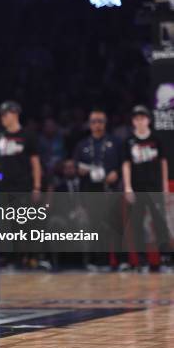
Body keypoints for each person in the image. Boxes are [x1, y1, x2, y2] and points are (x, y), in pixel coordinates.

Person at [0, 101, 43, 269]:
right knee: (5, 223)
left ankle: (24, 258)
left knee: (23, 224)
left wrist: (37, 187)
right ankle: (9, 258)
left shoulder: (28, 136)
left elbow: (35, 162)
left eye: (5, 114)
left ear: (15, 113)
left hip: (23, 186)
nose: (2, 118)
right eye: (1, 115)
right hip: (3, 186)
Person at [122, 105, 171, 270]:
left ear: (148, 120)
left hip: (155, 188)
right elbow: (126, 165)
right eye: (136, 118)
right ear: (133, 121)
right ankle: (141, 260)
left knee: (160, 222)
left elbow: (163, 163)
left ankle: (165, 257)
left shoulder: (156, 139)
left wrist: (164, 186)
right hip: (137, 188)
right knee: (137, 224)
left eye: (143, 118)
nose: (140, 121)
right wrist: (128, 186)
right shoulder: (129, 141)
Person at [73, 109, 121, 270]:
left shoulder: (114, 142)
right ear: (89, 124)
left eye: (100, 121)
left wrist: (116, 173)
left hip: (110, 189)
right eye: (93, 121)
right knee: (93, 225)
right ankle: (95, 261)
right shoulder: (83, 144)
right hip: (90, 190)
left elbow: (122, 164)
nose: (97, 124)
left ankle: (114, 261)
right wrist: (80, 170)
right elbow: (75, 166)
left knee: (112, 225)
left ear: (105, 123)